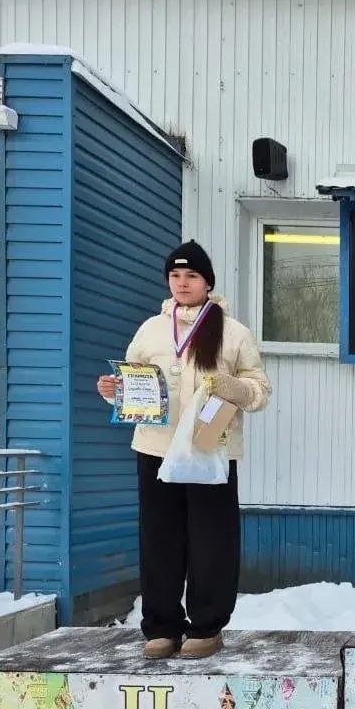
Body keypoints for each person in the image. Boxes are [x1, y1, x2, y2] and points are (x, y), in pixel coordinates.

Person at [97, 240, 271, 659]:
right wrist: (113, 391)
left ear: (207, 281)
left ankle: (206, 627)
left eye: (191, 275)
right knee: (159, 539)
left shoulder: (233, 332)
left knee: (212, 541)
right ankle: (161, 627)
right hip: (156, 449)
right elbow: (134, 381)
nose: (182, 283)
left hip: (210, 449)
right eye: (175, 276)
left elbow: (260, 391)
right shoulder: (150, 330)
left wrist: (236, 388)